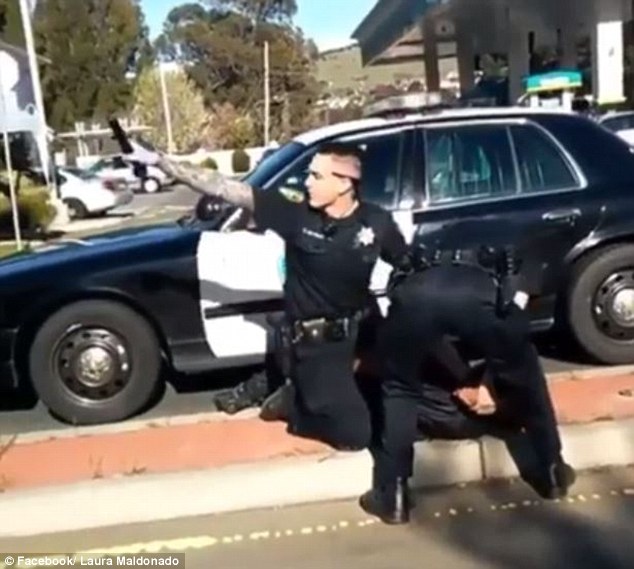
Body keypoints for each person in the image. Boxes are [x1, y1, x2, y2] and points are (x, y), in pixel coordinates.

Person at [118, 133, 411, 451]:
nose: (307, 183)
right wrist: (162, 162)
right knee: (354, 435)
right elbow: (225, 187)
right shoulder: (295, 215)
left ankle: (314, 385)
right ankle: (295, 402)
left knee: (403, 414)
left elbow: (406, 268)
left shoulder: (376, 222)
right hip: (316, 347)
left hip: (360, 335)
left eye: (316, 176)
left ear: (343, 184)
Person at [360, 239, 576, 525]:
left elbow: (381, 292)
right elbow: (518, 313)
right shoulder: (516, 240)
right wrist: (497, 373)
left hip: (417, 296)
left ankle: (393, 495)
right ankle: (552, 471)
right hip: (482, 295)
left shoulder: (420, 239)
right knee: (527, 378)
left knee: (400, 390)